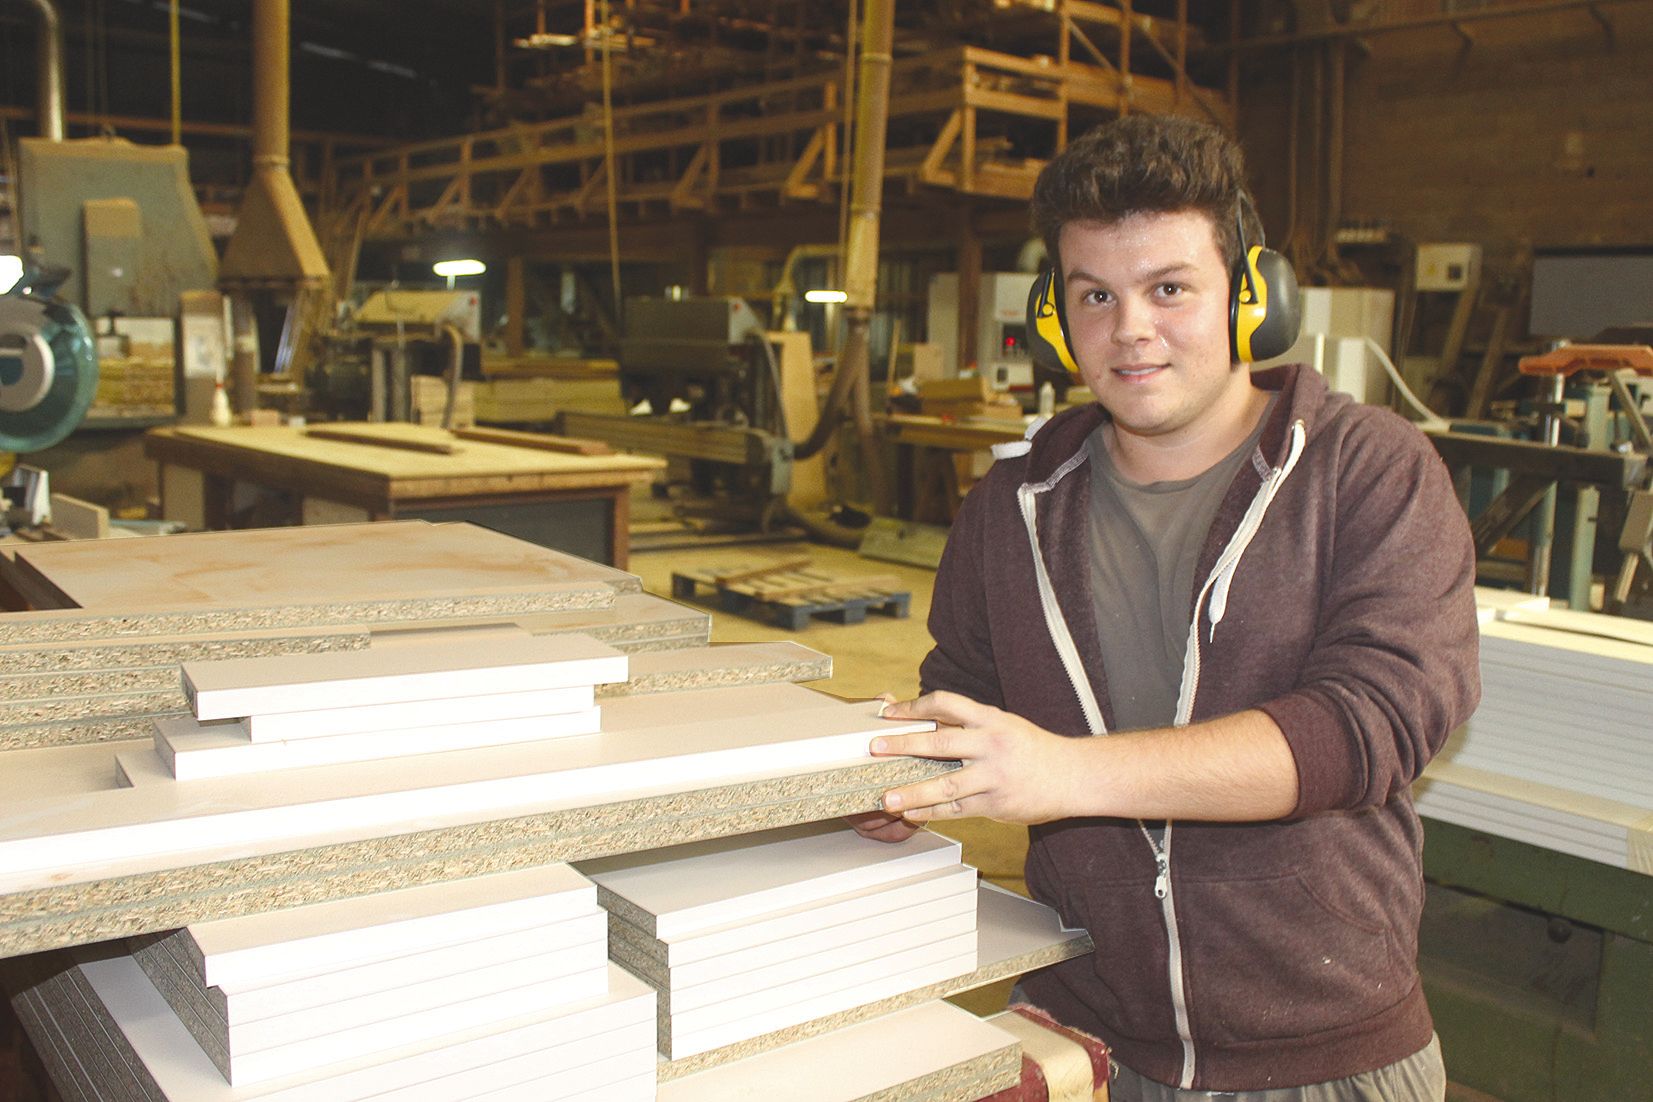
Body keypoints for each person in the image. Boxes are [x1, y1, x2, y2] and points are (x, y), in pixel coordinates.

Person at [854, 115, 1480, 1101]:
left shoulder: (1365, 470)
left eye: (1170, 288)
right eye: (1095, 295)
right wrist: (900, 782)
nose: (1131, 328)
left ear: (1250, 296)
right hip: (1085, 1040)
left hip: (1328, 1057)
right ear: (1054, 312)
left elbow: (1368, 730)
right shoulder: (1010, 504)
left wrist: (1060, 771)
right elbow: (963, 692)